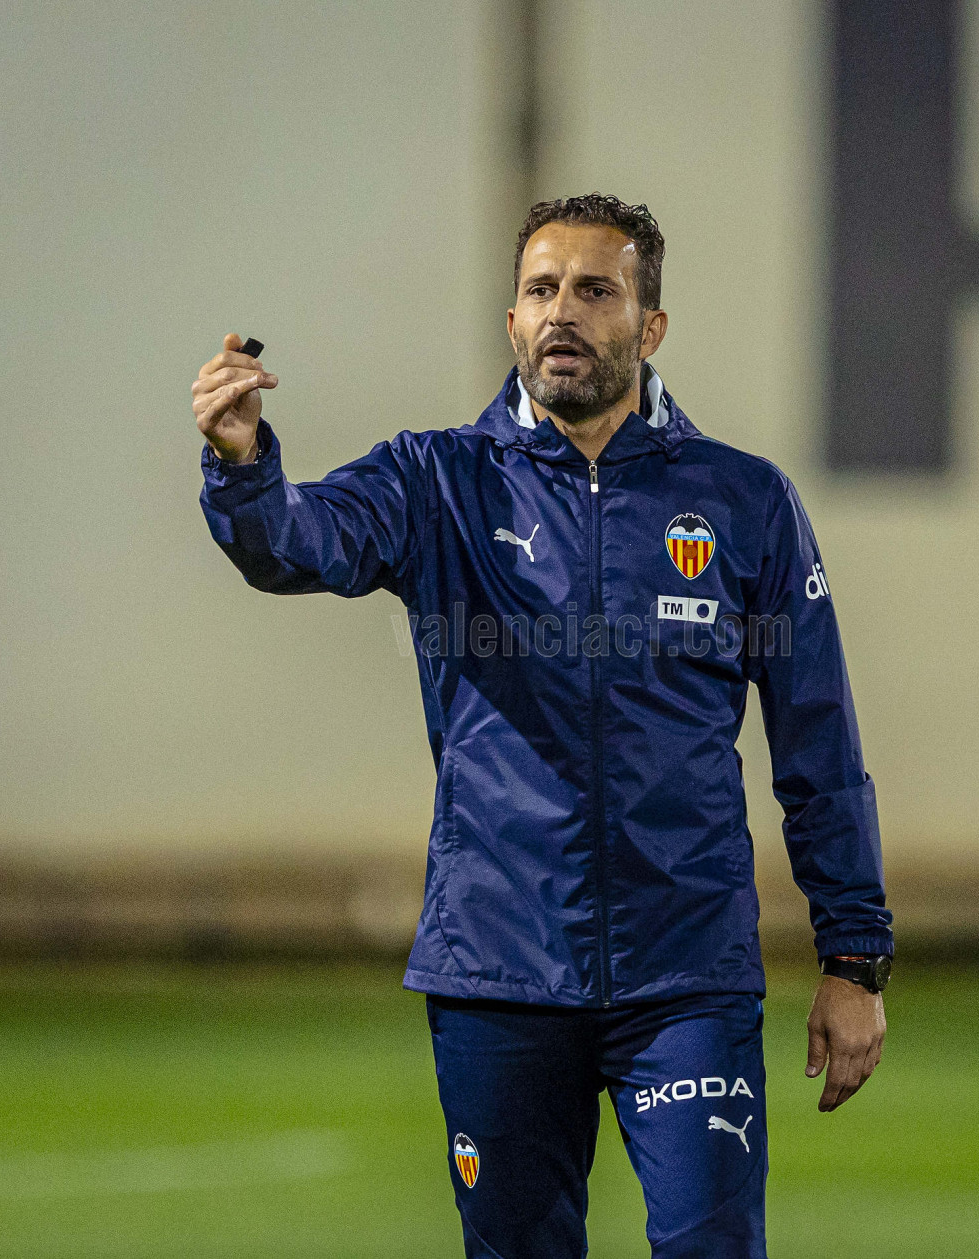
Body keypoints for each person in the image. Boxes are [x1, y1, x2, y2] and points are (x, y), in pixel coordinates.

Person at [194, 194, 893, 1258]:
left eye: (595, 289)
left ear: (650, 327)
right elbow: (298, 542)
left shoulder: (744, 501)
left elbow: (820, 745)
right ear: (514, 320)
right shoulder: (436, 480)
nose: (563, 310)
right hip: (498, 970)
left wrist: (855, 954)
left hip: (687, 973)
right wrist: (245, 467)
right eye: (540, 289)